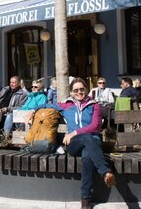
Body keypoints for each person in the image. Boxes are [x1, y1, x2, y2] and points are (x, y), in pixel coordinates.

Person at [51, 78, 117, 207]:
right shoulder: (66, 105)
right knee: (86, 137)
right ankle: (105, 171)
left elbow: (95, 127)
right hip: (73, 144)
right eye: (76, 90)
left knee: (87, 158)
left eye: (81, 89)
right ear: (71, 92)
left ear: (86, 89)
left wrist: (74, 132)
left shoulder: (95, 105)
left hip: (92, 143)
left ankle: (86, 201)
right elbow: (46, 105)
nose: (79, 92)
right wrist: (32, 111)